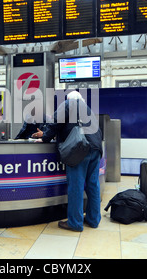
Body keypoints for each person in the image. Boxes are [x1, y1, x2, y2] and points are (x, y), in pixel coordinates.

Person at [35, 91, 102, 232]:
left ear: (69, 99)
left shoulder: (69, 103)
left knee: (76, 186)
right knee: (93, 185)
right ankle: (93, 220)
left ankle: (75, 223)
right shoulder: (88, 109)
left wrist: (45, 138)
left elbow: (55, 122)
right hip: (96, 148)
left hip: (79, 148)